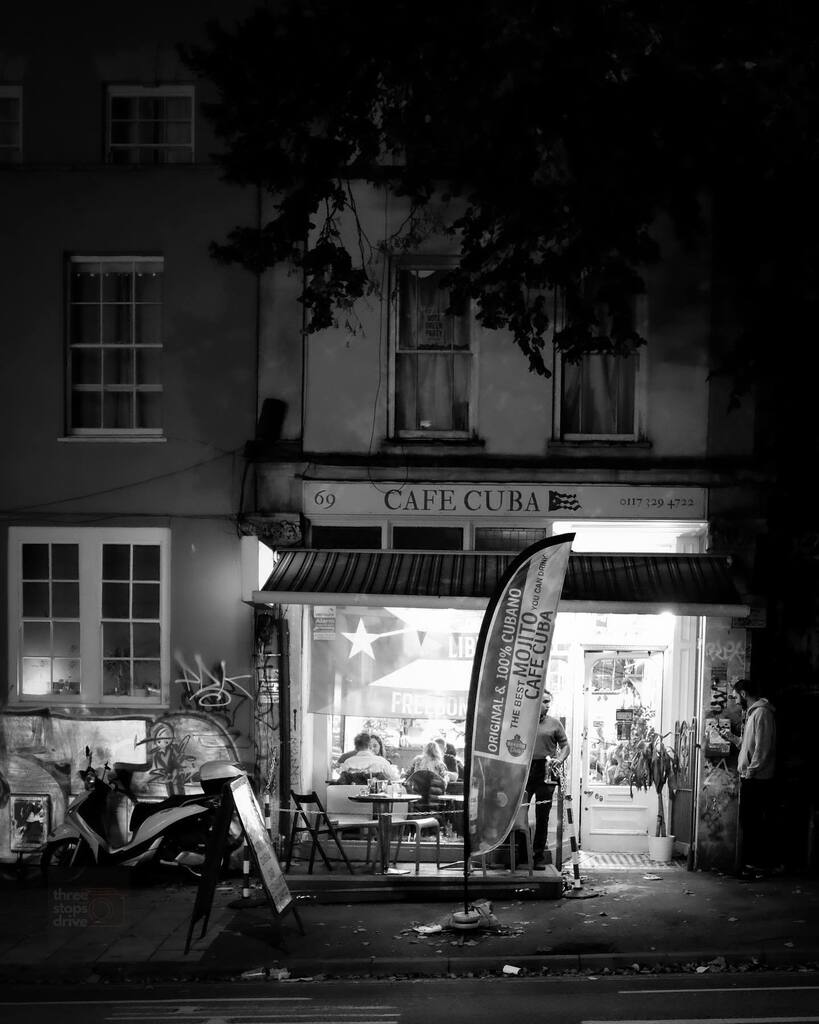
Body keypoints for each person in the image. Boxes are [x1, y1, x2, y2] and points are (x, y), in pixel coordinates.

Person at [732, 677, 778, 879]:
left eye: (735, 697)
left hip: (757, 779)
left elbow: (763, 748)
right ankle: (751, 866)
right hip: (751, 777)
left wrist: (751, 771)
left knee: (755, 824)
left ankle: (758, 867)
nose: (734, 701)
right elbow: (749, 744)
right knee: (749, 823)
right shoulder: (752, 715)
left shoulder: (761, 714)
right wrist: (732, 739)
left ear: (743, 694)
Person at [525, 689, 570, 869]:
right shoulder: (522, 721)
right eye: (544, 702)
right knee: (518, 813)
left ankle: (537, 856)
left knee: (542, 815)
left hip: (546, 769)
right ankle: (521, 853)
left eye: (548, 702)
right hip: (526, 770)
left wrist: (559, 760)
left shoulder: (554, 724)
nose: (547, 705)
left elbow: (565, 745)